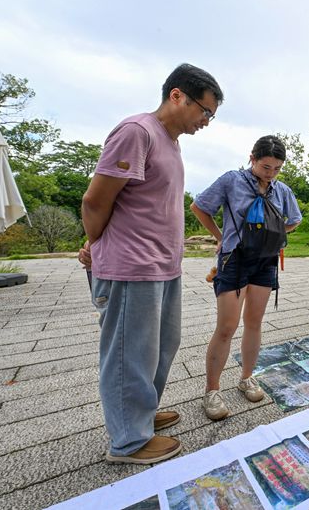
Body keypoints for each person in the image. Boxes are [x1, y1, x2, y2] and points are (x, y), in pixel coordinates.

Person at [78, 63, 223, 465]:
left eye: (211, 115)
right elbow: (95, 200)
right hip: (130, 265)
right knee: (130, 352)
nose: (206, 121)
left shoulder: (170, 143)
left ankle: (138, 415)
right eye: (204, 111)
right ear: (177, 95)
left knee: (161, 346)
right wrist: (98, 244)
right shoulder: (137, 132)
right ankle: (127, 440)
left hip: (164, 265)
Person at [190, 135, 302, 421]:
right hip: (235, 259)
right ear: (252, 157)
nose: (271, 173)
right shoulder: (232, 180)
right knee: (226, 326)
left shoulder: (282, 190)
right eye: (266, 167)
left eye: (277, 168)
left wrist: (271, 236)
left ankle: (247, 377)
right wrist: (220, 237)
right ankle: (212, 390)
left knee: (254, 322)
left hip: (265, 261)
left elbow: (294, 219)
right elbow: (199, 207)